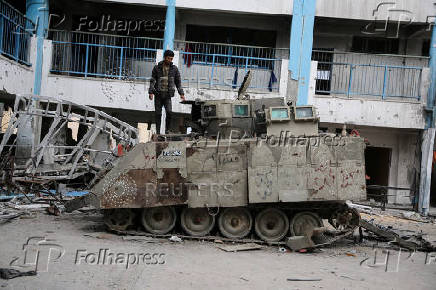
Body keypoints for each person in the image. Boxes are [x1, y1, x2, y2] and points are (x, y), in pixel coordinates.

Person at [148, 50, 185, 134]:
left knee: (169, 112)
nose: (170, 60)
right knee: (158, 114)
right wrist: (150, 92)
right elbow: (152, 80)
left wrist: (181, 94)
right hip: (158, 94)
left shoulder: (174, 69)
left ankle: (167, 130)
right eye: (169, 58)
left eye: (171, 59)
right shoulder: (157, 67)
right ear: (165, 57)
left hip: (167, 95)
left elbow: (178, 82)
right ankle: (158, 132)